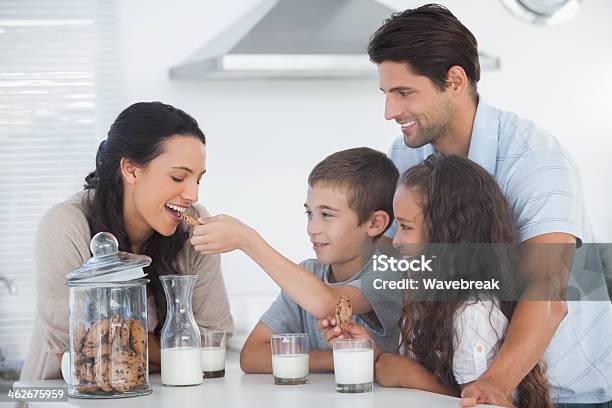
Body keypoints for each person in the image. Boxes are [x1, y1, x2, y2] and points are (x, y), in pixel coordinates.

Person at [366, 4, 612, 407]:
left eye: (404, 92)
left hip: (564, 393)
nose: (390, 112)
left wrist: (495, 383)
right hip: (460, 386)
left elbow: (547, 291)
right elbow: (396, 258)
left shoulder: (535, 160)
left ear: (456, 80)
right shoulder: (407, 157)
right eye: (386, 93)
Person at [20, 101, 234, 380]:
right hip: (62, 397)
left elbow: (212, 340)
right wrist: (178, 347)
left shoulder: (195, 228)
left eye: (198, 180)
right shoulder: (66, 225)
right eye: (178, 177)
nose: (193, 195)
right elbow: (77, 354)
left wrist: (114, 338)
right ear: (131, 170)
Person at [323, 154, 551, 408]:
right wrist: (374, 355)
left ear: (447, 235)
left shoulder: (473, 314)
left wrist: (410, 375)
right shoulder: (427, 297)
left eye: (406, 227)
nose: (396, 240)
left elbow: (484, 403)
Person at [192, 147, 404, 373]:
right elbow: (252, 357)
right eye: (309, 213)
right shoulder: (307, 277)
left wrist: (248, 241)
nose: (312, 228)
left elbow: (328, 304)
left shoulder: (390, 273)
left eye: (327, 215)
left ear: (375, 223)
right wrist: (343, 358)